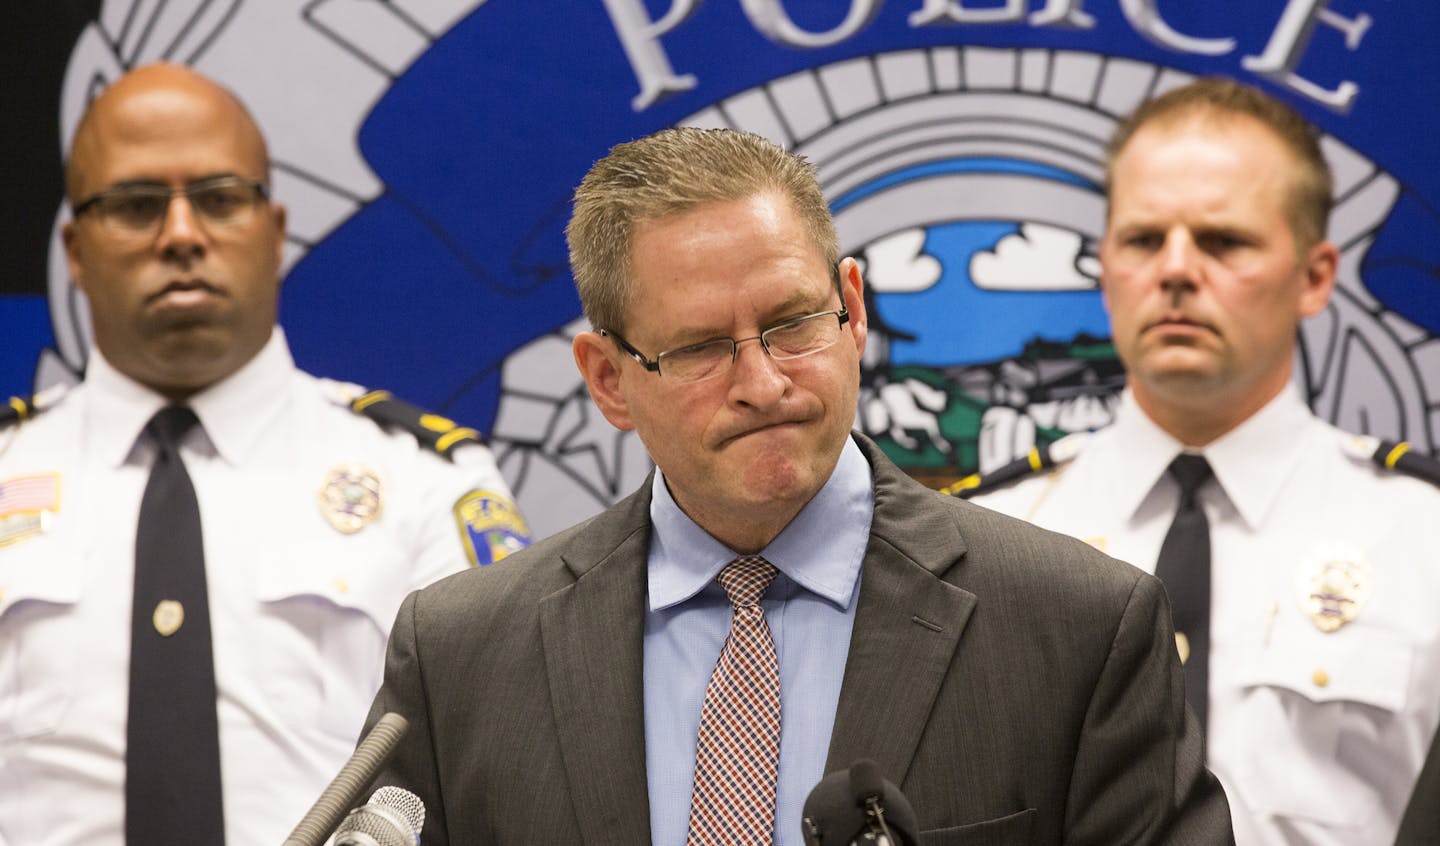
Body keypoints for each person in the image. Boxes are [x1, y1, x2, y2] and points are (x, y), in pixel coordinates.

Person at [357, 126, 1232, 844]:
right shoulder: (461, 657)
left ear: (852, 308)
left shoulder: (1079, 629)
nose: (765, 381)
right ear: (609, 381)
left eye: (793, 323)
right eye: (700, 348)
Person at [0, 63, 530, 845]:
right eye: (138, 206)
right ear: (75, 251)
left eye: (218, 199)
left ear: (274, 232)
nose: (182, 235)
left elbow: (499, 778)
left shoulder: (425, 484)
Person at [967, 78, 1440, 845]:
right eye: (1144, 239)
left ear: (1316, 276)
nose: (1177, 270)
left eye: (1224, 241)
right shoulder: (988, 534)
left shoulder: (1426, 537)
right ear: (1107, 266)